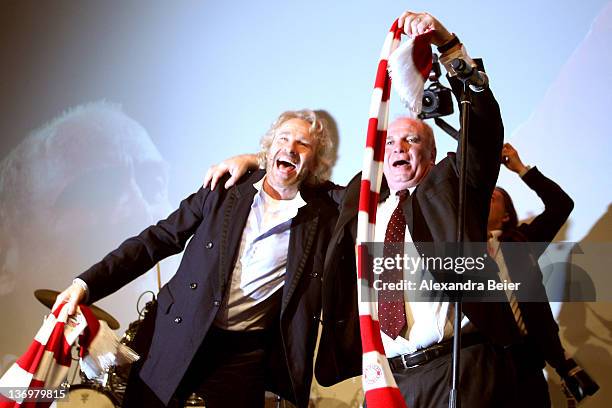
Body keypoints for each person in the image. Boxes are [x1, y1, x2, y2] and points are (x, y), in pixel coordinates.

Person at [204, 11, 525, 408]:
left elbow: (484, 131)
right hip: (392, 379)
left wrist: (449, 47)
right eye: (389, 143)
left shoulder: (451, 189)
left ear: (432, 154)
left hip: (460, 370)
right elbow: (304, 176)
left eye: (410, 141)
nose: (397, 149)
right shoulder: (362, 204)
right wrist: (256, 159)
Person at [52, 109, 340, 408]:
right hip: (179, 330)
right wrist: (85, 285)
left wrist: (255, 158)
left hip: (243, 354)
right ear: (269, 146)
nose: (291, 147)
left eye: (303, 144)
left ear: (317, 161)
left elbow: (371, 189)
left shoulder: (324, 212)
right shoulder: (226, 188)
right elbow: (156, 240)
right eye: (283, 138)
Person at [488, 142, 596, 406]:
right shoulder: (458, 249)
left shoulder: (522, 241)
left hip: (526, 362)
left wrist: (521, 169)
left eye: (492, 198)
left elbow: (561, 205)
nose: (483, 201)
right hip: (481, 365)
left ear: (505, 217)